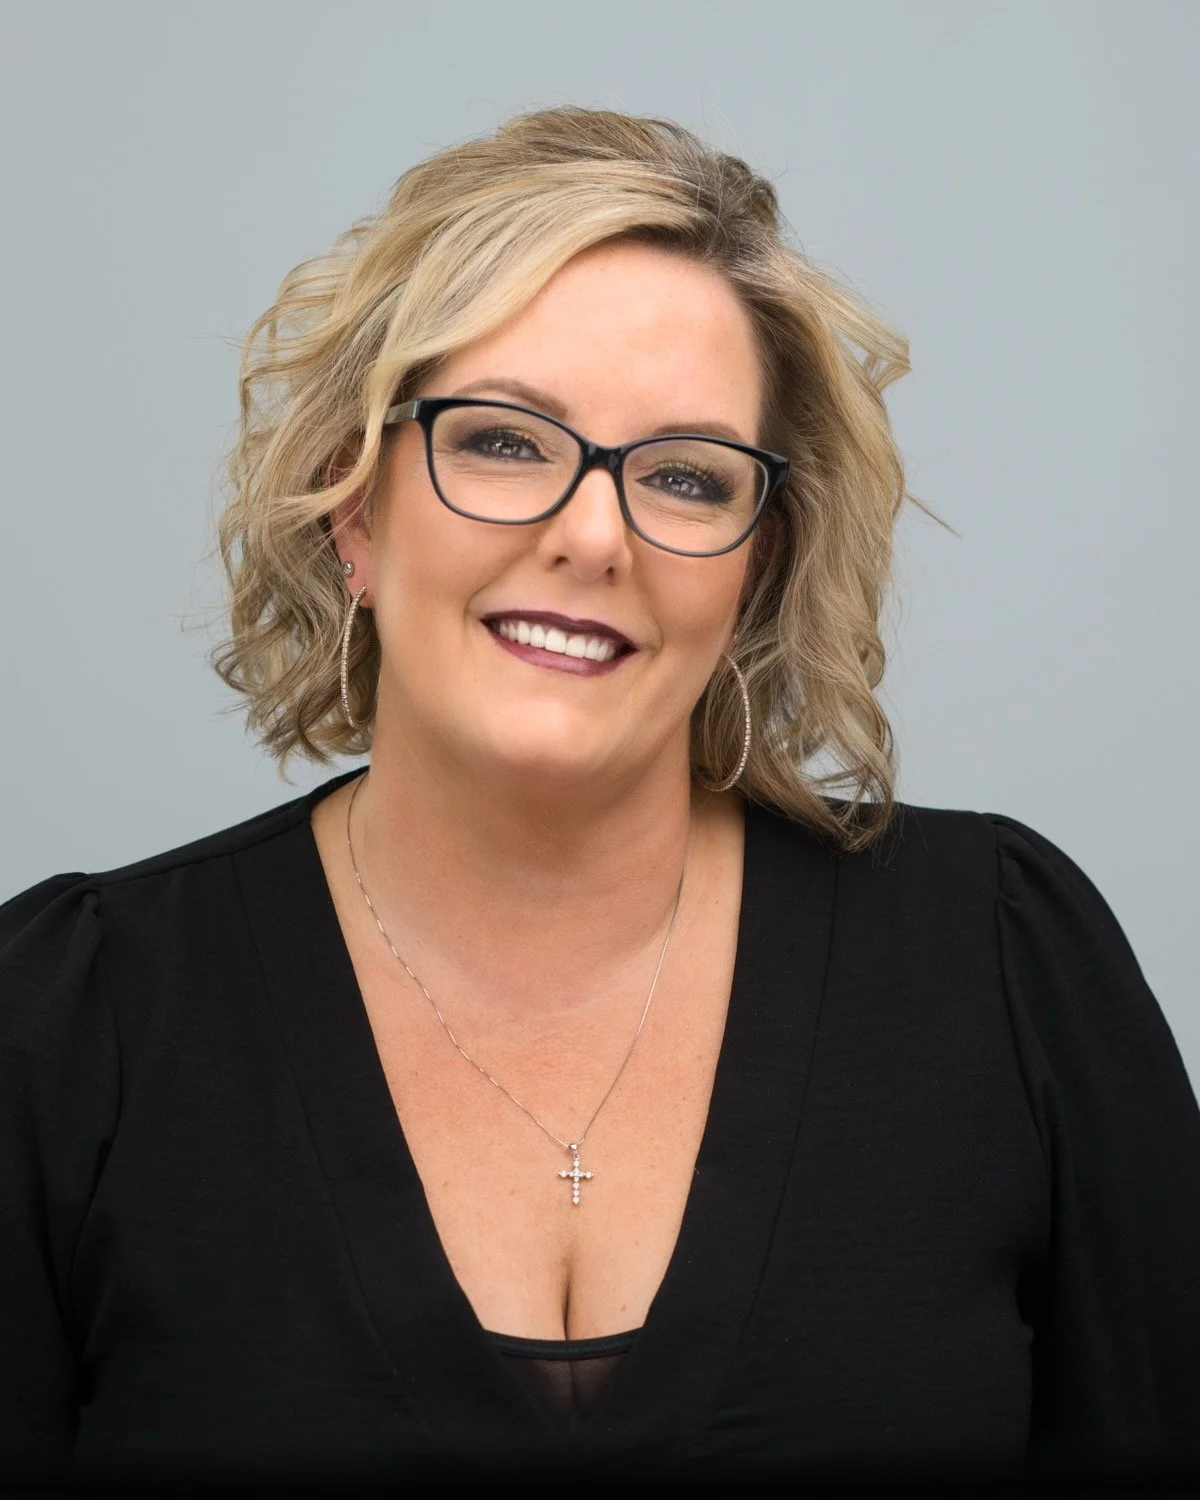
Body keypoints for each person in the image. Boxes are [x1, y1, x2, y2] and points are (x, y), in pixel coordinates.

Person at [2, 106, 1198, 1492]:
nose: (592, 534)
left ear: (752, 565)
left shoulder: (1004, 960)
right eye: (505, 441)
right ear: (352, 507)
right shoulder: (65, 1027)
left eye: (686, 477)